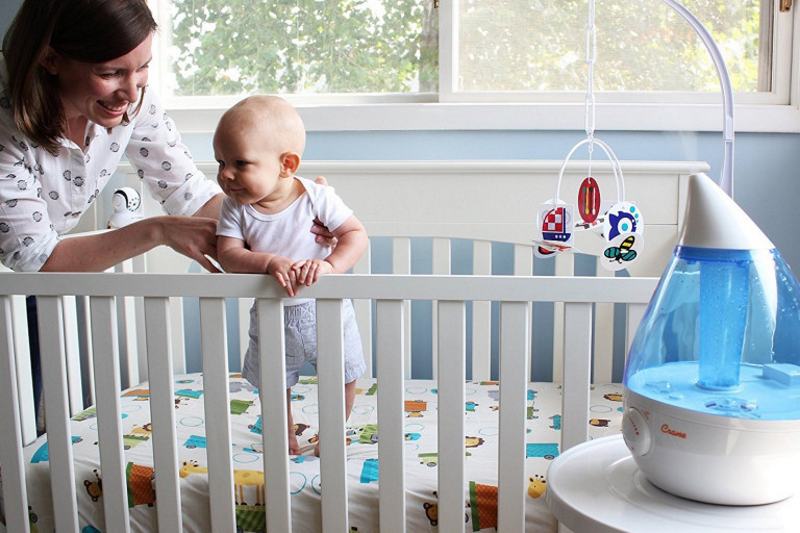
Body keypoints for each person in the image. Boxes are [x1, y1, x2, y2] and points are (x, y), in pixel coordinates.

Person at [1, 0, 332, 430]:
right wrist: (157, 230)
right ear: (50, 58)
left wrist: (287, 215)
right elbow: (40, 260)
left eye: (142, 68)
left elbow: (185, 189)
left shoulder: (129, 102)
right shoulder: (6, 125)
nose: (132, 91)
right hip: (20, 274)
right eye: (111, 73)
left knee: (22, 424)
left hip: (29, 281)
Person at [215, 95, 368, 455]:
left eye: (240, 162)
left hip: (326, 310)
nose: (225, 173)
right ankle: (284, 434)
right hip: (273, 314)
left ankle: (332, 433)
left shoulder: (317, 198)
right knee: (273, 381)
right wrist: (269, 262)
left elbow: (356, 235)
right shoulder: (235, 208)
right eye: (221, 162)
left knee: (343, 375)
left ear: (287, 165)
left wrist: (330, 266)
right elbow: (228, 255)